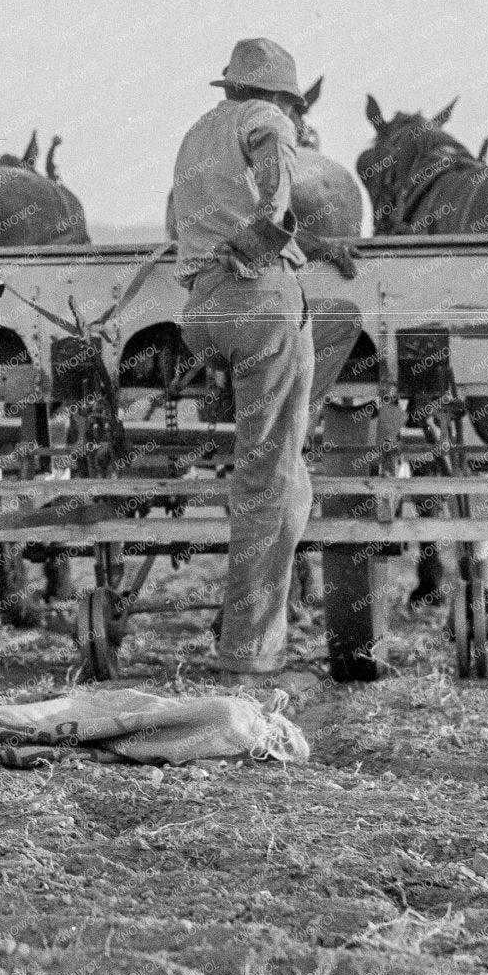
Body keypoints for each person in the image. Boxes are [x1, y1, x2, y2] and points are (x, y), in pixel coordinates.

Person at [166, 38, 360, 679]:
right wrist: (264, 243)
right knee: (268, 482)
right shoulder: (269, 121)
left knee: (336, 327)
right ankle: (249, 654)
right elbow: (278, 201)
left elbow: (186, 222)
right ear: (283, 96)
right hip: (260, 301)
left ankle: (263, 409)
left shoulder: (197, 133)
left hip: (204, 313)